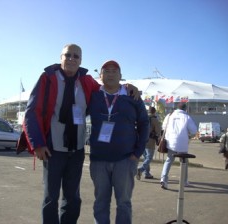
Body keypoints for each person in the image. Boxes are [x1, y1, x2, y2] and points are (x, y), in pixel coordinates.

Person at [16, 44, 140, 224]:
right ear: (61, 58)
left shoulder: (86, 81)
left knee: (72, 197)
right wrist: (38, 144)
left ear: (81, 60)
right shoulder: (48, 78)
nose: (71, 59)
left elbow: (108, 86)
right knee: (50, 197)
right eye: (68, 55)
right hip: (53, 148)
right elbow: (31, 112)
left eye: (76, 56)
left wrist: (128, 86)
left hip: (77, 149)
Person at [88, 60, 149, 224]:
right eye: (106, 71)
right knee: (100, 202)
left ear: (121, 76)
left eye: (114, 71)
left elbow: (144, 123)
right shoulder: (93, 95)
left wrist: (137, 153)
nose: (110, 74)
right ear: (100, 76)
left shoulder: (132, 96)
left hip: (125, 159)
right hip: (99, 160)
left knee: (124, 203)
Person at [160, 103, 197, 190]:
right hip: (182, 143)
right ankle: (184, 181)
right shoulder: (186, 117)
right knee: (184, 161)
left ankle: (163, 179)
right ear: (185, 109)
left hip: (170, 142)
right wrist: (188, 134)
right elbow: (194, 130)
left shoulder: (169, 115)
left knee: (169, 160)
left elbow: (163, 127)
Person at [136, 106, 161, 180]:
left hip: (142, 140)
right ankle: (141, 169)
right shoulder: (154, 120)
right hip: (150, 141)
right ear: (154, 112)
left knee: (146, 157)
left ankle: (147, 173)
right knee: (149, 157)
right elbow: (158, 131)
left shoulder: (143, 118)